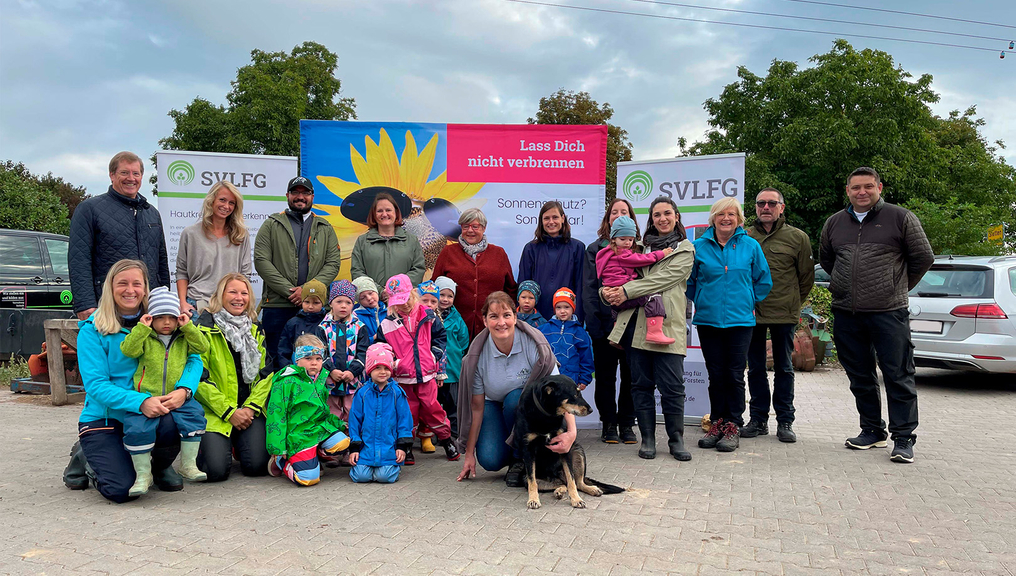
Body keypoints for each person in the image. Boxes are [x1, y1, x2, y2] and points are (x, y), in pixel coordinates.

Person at [820, 167, 933, 464]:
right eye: (856, 187)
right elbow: (827, 259)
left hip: (888, 312)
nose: (862, 192)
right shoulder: (834, 223)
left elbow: (923, 257)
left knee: (898, 374)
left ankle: (903, 438)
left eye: (868, 186)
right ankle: (872, 430)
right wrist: (845, 286)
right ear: (847, 191)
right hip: (847, 311)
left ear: (879, 187)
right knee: (860, 376)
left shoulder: (900, 217)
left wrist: (896, 288)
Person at [70, 259, 203, 503]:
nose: (130, 290)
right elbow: (96, 385)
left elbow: (194, 358)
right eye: (122, 283)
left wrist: (185, 390)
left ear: (145, 289)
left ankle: (159, 466)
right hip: (107, 417)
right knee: (120, 490)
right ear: (110, 287)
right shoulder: (92, 329)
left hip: (150, 411)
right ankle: (86, 458)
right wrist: (141, 402)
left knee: (180, 418)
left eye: (137, 284)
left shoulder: (163, 319)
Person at [601, 197, 695, 461]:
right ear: (651, 219)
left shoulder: (685, 250)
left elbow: (662, 279)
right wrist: (605, 291)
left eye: (667, 213)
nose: (662, 219)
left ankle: (676, 441)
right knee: (640, 385)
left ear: (676, 216)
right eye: (656, 215)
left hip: (669, 327)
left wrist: (625, 290)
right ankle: (648, 440)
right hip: (637, 326)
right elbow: (613, 270)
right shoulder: (637, 247)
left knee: (672, 387)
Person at [689, 197, 773, 454]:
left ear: (739, 219)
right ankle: (717, 423)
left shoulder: (750, 245)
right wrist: (705, 300)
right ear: (713, 218)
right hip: (708, 320)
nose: (726, 218)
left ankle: (733, 425)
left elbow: (763, 280)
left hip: (740, 321)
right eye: (721, 214)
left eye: (732, 214)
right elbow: (690, 282)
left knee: (735, 374)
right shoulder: (699, 246)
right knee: (715, 374)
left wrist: (747, 300)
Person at [455, 292, 563, 487]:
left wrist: (571, 433)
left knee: (516, 399)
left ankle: (519, 459)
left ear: (515, 316)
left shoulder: (533, 342)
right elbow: (477, 409)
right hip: (493, 403)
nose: (501, 322)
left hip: (524, 405)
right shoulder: (477, 356)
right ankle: (513, 451)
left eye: (506, 315)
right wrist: (469, 454)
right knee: (489, 460)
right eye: (493, 316)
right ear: (485, 321)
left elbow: (560, 389)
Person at [120, 287, 210, 496]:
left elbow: (202, 347)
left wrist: (188, 327)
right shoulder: (146, 338)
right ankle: (143, 475)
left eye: (172, 317)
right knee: (137, 429)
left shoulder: (183, 338)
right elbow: (128, 350)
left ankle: (188, 465)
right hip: (147, 397)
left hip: (178, 396)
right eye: (161, 318)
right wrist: (141, 329)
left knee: (195, 417)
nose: (167, 322)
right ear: (151, 318)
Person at [744, 188, 815, 443]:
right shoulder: (745, 236)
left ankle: (785, 420)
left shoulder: (798, 238)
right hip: (751, 314)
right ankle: (758, 419)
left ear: (781, 208)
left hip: (783, 314)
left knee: (785, 368)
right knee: (755, 369)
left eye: (772, 203)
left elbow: (806, 278)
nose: (766, 207)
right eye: (761, 203)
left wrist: (793, 304)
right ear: (755, 207)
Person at [69, 152, 170, 321]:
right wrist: (85, 303)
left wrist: (165, 300)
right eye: (124, 173)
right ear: (112, 175)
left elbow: (161, 261)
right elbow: (79, 259)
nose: (131, 178)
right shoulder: (89, 209)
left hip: (149, 306)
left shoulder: (152, 213)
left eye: (136, 173)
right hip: (106, 306)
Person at [253, 176, 341, 369]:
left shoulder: (325, 227)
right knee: (276, 361)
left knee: (316, 361)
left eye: (305, 193)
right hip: (277, 305)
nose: (300, 197)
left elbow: (333, 263)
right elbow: (261, 261)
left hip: (315, 309)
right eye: (296, 192)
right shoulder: (271, 224)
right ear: (288, 195)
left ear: (312, 197)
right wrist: (290, 291)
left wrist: (308, 292)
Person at [194, 273, 274, 482]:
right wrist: (229, 412)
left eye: (244, 293)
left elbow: (267, 376)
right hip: (215, 411)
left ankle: (238, 443)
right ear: (220, 295)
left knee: (257, 466)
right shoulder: (203, 329)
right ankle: (210, 447)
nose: (239, 297)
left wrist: (249, 409)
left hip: (249, 410)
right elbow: (198, 379)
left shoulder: (256, 329)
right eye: (233, 292)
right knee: (215, 472)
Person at [374, 274, 459, 463]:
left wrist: (433, 355)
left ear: (413, 293)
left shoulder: (428, 316)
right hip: (403, 377)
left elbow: (440, 338)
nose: (403, 305)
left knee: (433, 409)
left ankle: (446, 440)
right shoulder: (387, 323)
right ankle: (406, 445)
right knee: (407, 412)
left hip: (426, 375)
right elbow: (382, 347)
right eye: (398, 301)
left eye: (405, 299)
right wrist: (394, 363)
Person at [583, 198, 639, 445]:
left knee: (631, 377)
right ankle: (609, 424)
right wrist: (596, 327)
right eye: (614, 212)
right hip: (604, 326)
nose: (618, 215)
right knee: (605, 378)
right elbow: (589, 288)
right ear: (607, 219)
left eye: (623, 212)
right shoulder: (595, 249)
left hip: (633, 326)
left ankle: (627, 423)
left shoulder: (639, 249)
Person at [266, 334, 351, 486]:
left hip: (317, 429)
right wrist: (278, 448)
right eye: (308, 359)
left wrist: (339, 425)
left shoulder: (319, 379)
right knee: (308, 479)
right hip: (297, 436)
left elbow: (323, 411)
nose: (314, 363)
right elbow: (276, 416)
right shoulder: (286, 382)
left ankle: (316, 454)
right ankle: (282, 463)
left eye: (318, 359)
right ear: (297, 359)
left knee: (342, 442)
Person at [432, 208, 518, 337]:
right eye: (465, 226)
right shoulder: (448, 252)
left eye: (475, 226)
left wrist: (507, 319)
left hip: (492, 328)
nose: (470, 230)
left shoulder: (499, 254)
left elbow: (510, 289)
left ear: (484, 228)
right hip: (454, 329)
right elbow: (434, 287)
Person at [175, 181, 253, 316]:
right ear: (211, 200)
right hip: (197, 305)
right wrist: (182, 302)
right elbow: (181, 272)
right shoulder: (190, 233)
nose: (226, 206)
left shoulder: (241, 235)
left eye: (231, 203)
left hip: (229, 307)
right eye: (222, 200)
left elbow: (244, 275)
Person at [596, 215, 675, 345]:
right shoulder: (622, 254)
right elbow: (642, 259)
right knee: (652, 297)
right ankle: (654, 332)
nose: (627, 243)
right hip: (623, 292)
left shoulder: (607, 253)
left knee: (616, 309)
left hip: (613, 295)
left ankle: (617, 338)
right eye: (623, 239)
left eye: (631, 239)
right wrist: (662, 253)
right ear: (613, 239)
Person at [348, 343, 414, 484]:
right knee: (361, 477)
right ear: (369, 370)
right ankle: (369, 467)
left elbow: (404, 420)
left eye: (386, 368)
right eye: (377, 368)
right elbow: (355, 421)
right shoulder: (362, 393)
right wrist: (354, 448)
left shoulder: (397, 393)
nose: (382, 372)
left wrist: (402, 446)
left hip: (388, 448)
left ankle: (390, 467)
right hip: (366, 448)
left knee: (384, 477)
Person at [517, 201, 585, 322]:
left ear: (563, 218)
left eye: (555, 217)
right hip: (536, 319)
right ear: (541, 221)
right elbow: (523, 285)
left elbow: (580, 286)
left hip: (566, 316)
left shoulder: (577, 248)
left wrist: (577, 318)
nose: (551, 222)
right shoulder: (531, 249)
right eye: (546, 218)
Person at [349, 191, 426, 292]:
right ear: (374, 214)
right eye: (379, 211)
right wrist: (379, 291)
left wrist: (396, 289)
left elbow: (418, 269)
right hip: (373, 301)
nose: (384, 214)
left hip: (403, 301)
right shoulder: (362, 241)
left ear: (396, 213)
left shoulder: (411, 241)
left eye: (388, 210)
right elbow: (357, 271)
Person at [320, 280, 369, 423]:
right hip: (330, 380)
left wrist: (353, 371)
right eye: (339, 301)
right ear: (330, 303)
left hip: (352, 380)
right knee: (332, 412)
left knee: (352, 410)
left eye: (348, 302)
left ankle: (352, 438)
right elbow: (321, 353)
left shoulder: (360, 327)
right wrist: (331, 370)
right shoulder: (323, 327)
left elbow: (363, 352)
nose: (343, 306)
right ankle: (335, 440)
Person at [539, 288, 593, 391]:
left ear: (573, 308)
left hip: (571, 380)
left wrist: (584, 379)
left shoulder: (580, 332)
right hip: (548, 379)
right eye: (558, 307)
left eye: (567, 307)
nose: (562, 311)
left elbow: (586, 357)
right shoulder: (544, 329)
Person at [434, 276, 468, 438]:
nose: (445, 299)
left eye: (450, 296)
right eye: (442, 295)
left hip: (452, 370)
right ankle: (435, 434)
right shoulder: (429, 315)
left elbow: (463, 341)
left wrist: (454, 354)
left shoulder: (457, 319)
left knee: (453, 404)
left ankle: (454, 434)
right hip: (433, 371)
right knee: (434, 404)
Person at [277, 280, 329, 371]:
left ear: (323, 303)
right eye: (307, 302)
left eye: (316, 303)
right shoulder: (293, 323)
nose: (310, 306)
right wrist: (289, 370)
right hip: (297, 372)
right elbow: (284, 350)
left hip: (322, 374)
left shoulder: (327, 323)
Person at [352, 276, 387, 342]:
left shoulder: (388, 311)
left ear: (376, 292)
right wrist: (374, 338)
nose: (369, 298)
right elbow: (357, 341)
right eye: (363, 297)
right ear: (359, 301)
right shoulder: (357, 317)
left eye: (371, 293)